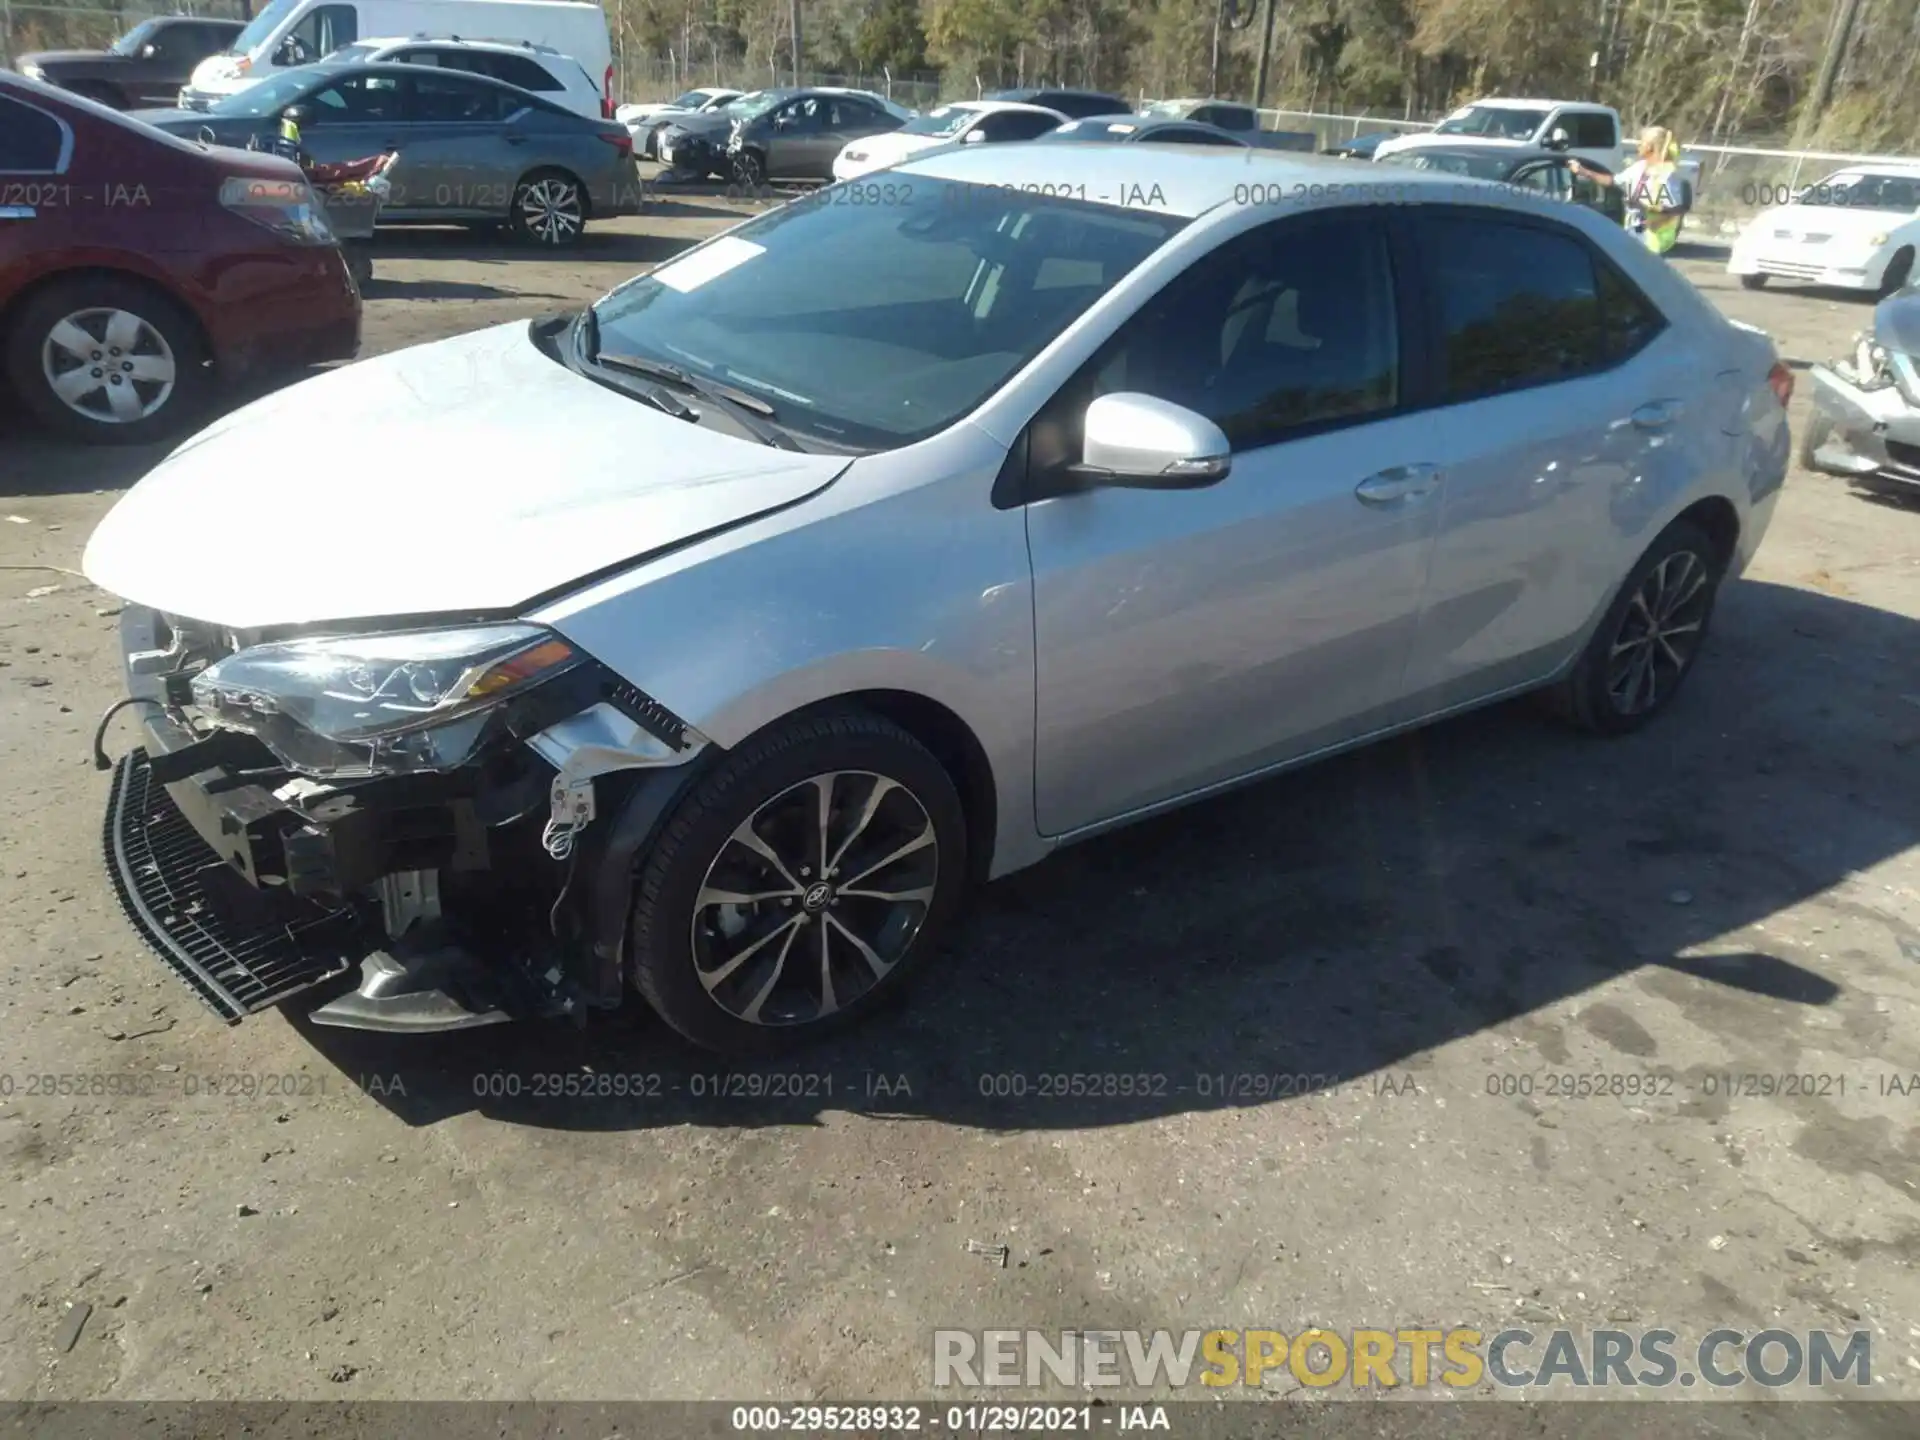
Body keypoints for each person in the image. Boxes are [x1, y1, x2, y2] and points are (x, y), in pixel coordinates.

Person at [1572, 126, 1687, 255]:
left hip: (1650, 237)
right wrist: (1584, 172)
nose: (1638, 146)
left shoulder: (1665, 174)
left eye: (1642, 142)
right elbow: (1613, 181)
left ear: (1650, 147)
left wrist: (1647, 209)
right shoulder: (1639, 167)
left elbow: (1675, 210)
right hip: (1632, 230)